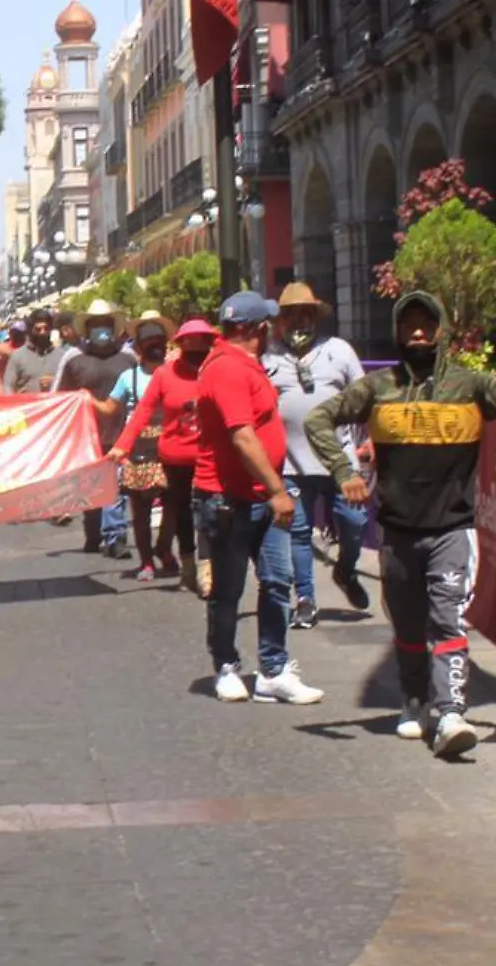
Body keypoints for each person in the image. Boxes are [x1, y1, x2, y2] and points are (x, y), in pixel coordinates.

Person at [305, 291, 496, 756]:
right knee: (409, 627)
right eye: (408, 324)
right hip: (396, 532)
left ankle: (452, 712)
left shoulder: (470, 385)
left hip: (454, 528)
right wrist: (344, 472)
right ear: (396, 332)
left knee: (447, 618)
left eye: (426, 324)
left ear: (441, 332)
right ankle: (414, 703)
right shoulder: (378, 388)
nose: (417, 332)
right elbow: (320, 419)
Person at [193, 292, 319, 706]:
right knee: (228, 589)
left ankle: (273, 670)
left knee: (277, 582)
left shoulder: (246, 365)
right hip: (231, 497)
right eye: (266, 324)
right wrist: (278, 490)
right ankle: (226, 665)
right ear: (253, 328)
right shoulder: (228, 368)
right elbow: (242, 436)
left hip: (261, 497)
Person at [263, 282, 371, 629]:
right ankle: (305, 599)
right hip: (292, 464)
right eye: (290, 314)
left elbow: (366, 398)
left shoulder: (339, 351)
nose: (298, 321)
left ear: (315, 317)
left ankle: (345, 569)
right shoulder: (268, 357)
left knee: (355, 523)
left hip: (340, 462)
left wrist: (372, 441)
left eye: (304, 314)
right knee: (299, 533)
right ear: (280, 320)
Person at [113, 320, 212, 596]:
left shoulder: (215, 371)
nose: (196, 348)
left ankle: (207, 568)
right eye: (189, 342)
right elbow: (143, 412)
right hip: (174, 457)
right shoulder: (164, 375)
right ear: (180, 345)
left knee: (209, 512)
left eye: (202, 342)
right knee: (180, 513)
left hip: (209, 455)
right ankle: (189, 567)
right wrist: (122, 445)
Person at [57, 300, 137, 555]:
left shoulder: (128, 358)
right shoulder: (73, 359)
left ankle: (116, 537)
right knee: (90, 488)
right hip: (85, 436)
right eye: (96, 324)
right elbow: (59, 396)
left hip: (120, 432)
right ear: (87, 328)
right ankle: (93, 533)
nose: (101, 329)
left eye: (105, 324)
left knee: (116, 486)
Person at [110, 313, 175, 578]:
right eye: (149, 341)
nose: (155, 345)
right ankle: (146, 559)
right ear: (139, 346)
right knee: (140, 510)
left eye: (159, 340)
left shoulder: (176, 372)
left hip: (170, 446)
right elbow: (109, 407)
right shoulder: (129, 377)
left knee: (173, 503)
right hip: (138, 449)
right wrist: (85, 400)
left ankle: (164, 548)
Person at [3, 310, 62, 395]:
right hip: (27, 406)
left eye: (46, 328)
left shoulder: (61, 356)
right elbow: (8, 386)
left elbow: (71, 386)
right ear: (31, 330)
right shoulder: (17, 356)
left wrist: (55, 381)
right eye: (38, 329)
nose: (43, 332)